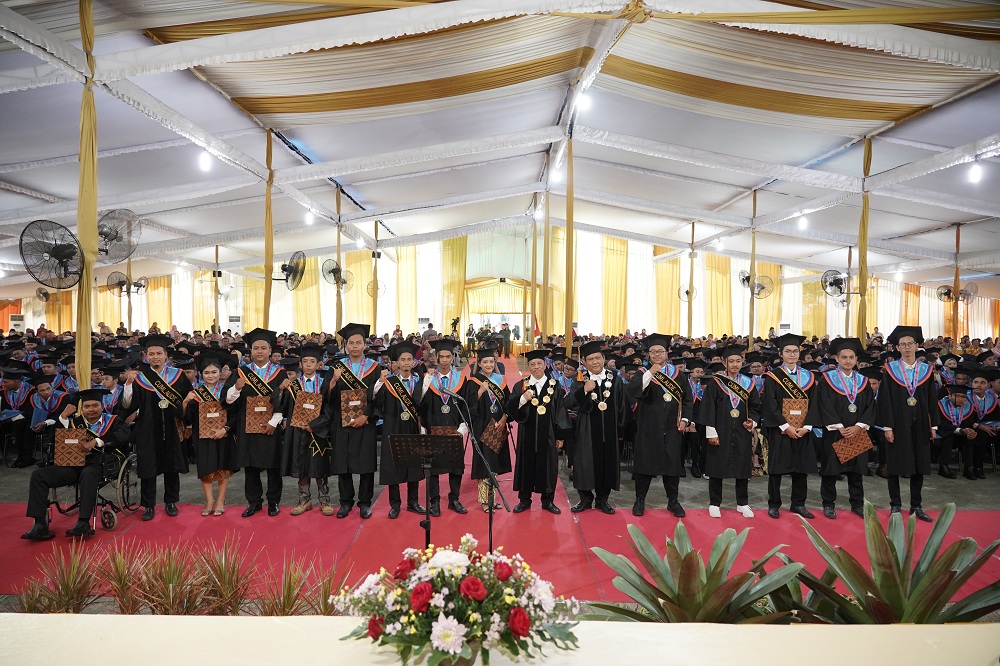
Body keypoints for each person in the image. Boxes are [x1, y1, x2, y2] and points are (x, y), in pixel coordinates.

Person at [21, 389, 132, 540]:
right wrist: (63, 416)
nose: (91, 409)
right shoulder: (75, 422)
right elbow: (55, 439)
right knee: (39, 475)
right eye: (87, 406)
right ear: (82, 408)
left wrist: (97, 441)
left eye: (95, 405)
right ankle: (40, 524)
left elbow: (124, 435)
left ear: (102, 406)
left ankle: (83, 522)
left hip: (102, 465)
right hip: (74, 466)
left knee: (88, 473)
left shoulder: (113, 420)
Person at [120, 334, 191, 521]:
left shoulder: (178, 376)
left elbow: (188, 400)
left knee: (171, 466)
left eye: (159, 353)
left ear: (166, 355)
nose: (155, 357)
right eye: (151, 354)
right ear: (146, 356)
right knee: (148, 468)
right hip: (148, 429)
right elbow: (129, 405)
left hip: (172, 427)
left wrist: (187, 418)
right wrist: (128, 384)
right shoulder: (140, 378)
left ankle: (171, 502)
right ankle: (148, 505)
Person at [625, 333, 692, 517]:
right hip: (648, 427)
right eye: (652, 352)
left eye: (660, 351)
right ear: (647, 354)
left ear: (667, 353)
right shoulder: (642, 374)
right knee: (644, 467)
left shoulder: (678, 375)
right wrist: (650, 373)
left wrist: (685, 420)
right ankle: (640, 500)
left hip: (672, 428)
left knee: (672, 467)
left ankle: (673, 501)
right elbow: (632, 391)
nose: (656, 354)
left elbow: (687, 400)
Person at [879, 326, 938, 522]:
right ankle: (895, 505)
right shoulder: (890, 370)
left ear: (917, 345)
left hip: (920, 423)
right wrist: (887, 427)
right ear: (897, 347)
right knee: (895, 465)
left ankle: (916, 505)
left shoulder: (927, 371)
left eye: (910, 344)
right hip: (897, 423)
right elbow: (884, 400)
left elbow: (932, 399)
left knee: (919, 465)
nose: (906, 348)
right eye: (902, 344)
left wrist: (934, 425)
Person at [224, 328, 285, 518]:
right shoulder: (241, 372)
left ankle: (273, 502)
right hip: (247, 426)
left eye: (263, 348)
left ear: (269, 350)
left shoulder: (279, 373)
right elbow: (227, 400)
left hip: (270, 425)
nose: (259, 351)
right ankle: (254, 502)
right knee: (250, 467)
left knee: (273, 466)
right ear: (251, 351)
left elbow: (284, 401)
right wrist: (235, 387)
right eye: (256, 348)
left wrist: (274, 422)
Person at [814, 338, 875, 519]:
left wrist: (858, 427)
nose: (848, 360)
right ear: (837, 359)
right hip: (835, 432)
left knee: (855, 472)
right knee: (830, 471)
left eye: (851, 357)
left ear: (856, 359)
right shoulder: (827, 380)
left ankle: (856, 504)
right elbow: (823, 405)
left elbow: (870, 407)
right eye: (844, 357)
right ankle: (828, 504)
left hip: (856, 432)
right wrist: (840, 427)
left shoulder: (863, 382)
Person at [326, 323, 381, 519]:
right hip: (343, 424)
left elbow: (379, 397)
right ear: (346, 346)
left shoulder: (375, 368)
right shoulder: (336, 368)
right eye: (351, 343)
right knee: (344, 464)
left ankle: (365, 503)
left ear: (365, 345)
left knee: (365, 464)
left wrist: (366, 415)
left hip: (365, 422)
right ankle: (346, 502)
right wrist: (332, 382)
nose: (355, 346)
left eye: (359, 342)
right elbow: (327, 399)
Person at [699, 345, 761, 518]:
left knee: (742, 467)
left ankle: (743, 503)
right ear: (725, 363)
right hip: (720, 429)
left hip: (742, 430)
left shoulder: (748, 383)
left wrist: (752, 421)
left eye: (738, 361)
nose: (735, 364)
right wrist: (711, 433)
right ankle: (714, 503)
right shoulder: (716, 382)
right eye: (731, 361)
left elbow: (756, 406)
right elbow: (708, 408)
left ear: (743, 362)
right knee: (716, 467)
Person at [761, 333, 816, 520]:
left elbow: (814, 403)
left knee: (800, 469)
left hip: (802, 430)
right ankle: (774, 504)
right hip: (781, 429)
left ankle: (798, 504)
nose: (792, 354)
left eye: (795, 351)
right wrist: (785, 426)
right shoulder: (773, 377)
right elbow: (770, 404)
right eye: (788, 351)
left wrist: (806, 426)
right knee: (777, 469)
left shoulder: (808, 377)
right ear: (781, 354)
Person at [569, 340, 627, 514]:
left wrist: (621, 430)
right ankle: (585, 499)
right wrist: (584, 391)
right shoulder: (579, 380)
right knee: (585, 464)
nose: (595, 362)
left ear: (603, 358)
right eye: (590, 359)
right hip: (586, 431)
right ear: (584, 363)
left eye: (597, 358)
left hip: (609, 431)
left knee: (607, 465)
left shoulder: (614, 379)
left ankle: (603, 500)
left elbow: (622, 405)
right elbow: (568, 402)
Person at [509, 349, 569, 513]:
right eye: (532, 364)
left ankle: (547, 500)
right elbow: (510, 409)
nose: (536, 367)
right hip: (527, 434)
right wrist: (522, 399)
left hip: (548, 434)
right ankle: (524, 499)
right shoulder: (521, 385)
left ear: (545, 365)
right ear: (528, 366)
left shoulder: (555, 386)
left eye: (539, 364)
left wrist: (560, 436)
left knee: (548, 465)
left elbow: (560, 412)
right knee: (525, 464)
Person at [372, 341, 425, 518]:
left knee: (414, 464)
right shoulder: (389, 382)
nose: (406, 363)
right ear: (397, 362)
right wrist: (380, 382)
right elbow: (377, 402)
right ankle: (395, 504)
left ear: (413, 362)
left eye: (410, 359)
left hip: (412, 427)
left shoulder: (420, 380)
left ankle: (413, 502)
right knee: (393, 464)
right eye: (403, 360)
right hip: (393, 426)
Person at [281, 344, 335, 516]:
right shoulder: (293, 385)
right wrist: (281, 391)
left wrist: (315, 425)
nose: (309, 365)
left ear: (318, 364)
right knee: (301, 465)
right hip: (298, 431)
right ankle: (304, 499)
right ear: (301, 364)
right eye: (305, 361)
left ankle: (324, 500)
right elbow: (283, 407)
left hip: (317, 431)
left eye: (313, 361)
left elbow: (329, 409)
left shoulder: (324, 384)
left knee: (320, 466)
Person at [418, 338, 470, 515]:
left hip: (454, 429)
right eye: (442, 357)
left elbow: (467, 406)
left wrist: (462, 429)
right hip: (434, 428)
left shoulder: (460, 379)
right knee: (433, 468)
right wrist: (424, 428)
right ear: (437, 358)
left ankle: (454, 499)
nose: (445, 360)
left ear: (452, 357)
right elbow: (420, 404)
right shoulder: (428, 379)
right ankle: (435, 502)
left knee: (456, 466)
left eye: (448, 356)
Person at [183, 354, 238, 516]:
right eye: (207, 373)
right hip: (202, 437)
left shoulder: (227, 392)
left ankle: (220, 500)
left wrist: (225, 429)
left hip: (223, 435)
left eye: (214, 372)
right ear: (201, 374)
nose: (211, 375)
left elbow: (235, 414)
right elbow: (187, 419)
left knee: (223, 467)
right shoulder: (196, 394)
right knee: (206, 469)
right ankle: (209, 500)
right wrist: (185, 402)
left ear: (220, 372)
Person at [466, 347, 512, 512]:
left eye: (491, 362)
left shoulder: (501, 380)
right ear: (479, 363)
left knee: (495, 463)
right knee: (484, 464)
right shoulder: (473, 382)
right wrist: (479, 392)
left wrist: (505, 418)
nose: (488, 364)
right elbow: (468, 407)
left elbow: (509, 403)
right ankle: (484, 501)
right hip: (481, 427)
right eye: (485, 362)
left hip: (498, 426)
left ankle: (492, 499)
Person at [935, 384, 976, 481]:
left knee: (970, 438)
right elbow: (941, 425)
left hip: (961, 435)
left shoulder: (969, 407)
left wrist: (969, 431)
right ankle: (943, 466)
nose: (961, 399)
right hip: (945, 434)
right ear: (950, 396)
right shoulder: (940, 405)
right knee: (948, 437)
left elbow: (969, 423)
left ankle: (969, 468)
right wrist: (961, 430)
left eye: (963, 397)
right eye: (957, 396)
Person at [2, 362, 36, 468]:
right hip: (9, 419)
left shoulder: (31, 390)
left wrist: (16, 417)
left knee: (20, 425)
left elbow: (32, 410)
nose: (3, 384)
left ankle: (25, 457)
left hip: (28, 418)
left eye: (6, 382)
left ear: (16, 381)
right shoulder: (4, 392)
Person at [966, 368, 998, 480]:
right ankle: (977, 467)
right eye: (976, 382)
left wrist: (995, 425)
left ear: (989, 385)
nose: (978, 385)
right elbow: (964, 419)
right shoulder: (966, 398)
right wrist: (979, 426)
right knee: (981, 435)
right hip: (968, 426)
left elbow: (995, 416)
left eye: (983, 383)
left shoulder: (992, 399)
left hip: (986, 427)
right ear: (971, 383)